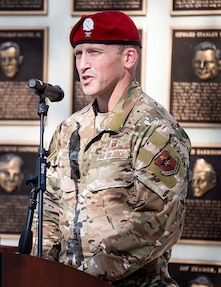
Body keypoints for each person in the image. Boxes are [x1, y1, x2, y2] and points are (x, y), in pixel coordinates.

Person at [30, 11, 192, 286]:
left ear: (128, 58)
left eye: (94, 52)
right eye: (79, 54)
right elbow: (50, 209)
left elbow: (157, 221)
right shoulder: (70, 129)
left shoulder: (154, 129)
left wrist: (83, 277)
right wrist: (41, 272)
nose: (83, 64)